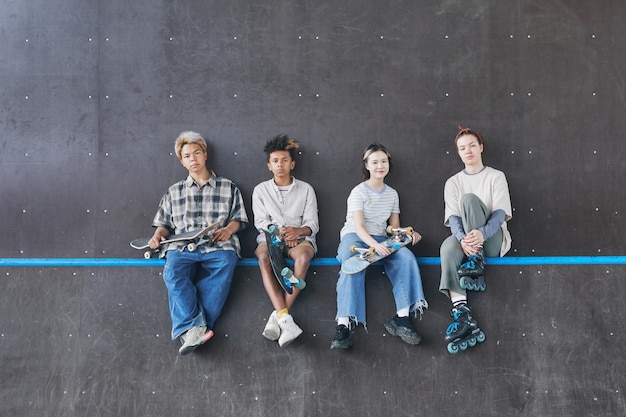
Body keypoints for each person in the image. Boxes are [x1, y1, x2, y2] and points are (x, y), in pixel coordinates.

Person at [149, 131, 248, 355]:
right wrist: (157, 236)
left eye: (196, 153)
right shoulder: (173, 192)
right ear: (181, 161)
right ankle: (197, 328)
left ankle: (192, 328)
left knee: (226, 263)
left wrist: (227, 230)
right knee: (173, 271)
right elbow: (163, 224)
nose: (192, 158)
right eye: (187, 156)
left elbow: (239, 220)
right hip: (182, 247)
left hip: (218, 245)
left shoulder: (228, 187)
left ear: (205, 155)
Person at [331, 143, 428, 349]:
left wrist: (407, 234)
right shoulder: (358, 192)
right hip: (356, 237)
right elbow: (358, 227)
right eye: (375, 162)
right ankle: (343, 325)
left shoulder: (392, 194)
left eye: (383, 161)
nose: (380, 166)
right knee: (352, 264)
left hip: (381, 238)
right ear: (366, 165)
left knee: (407, 257)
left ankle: (402, 319)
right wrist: (375, 246)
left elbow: (393, 228)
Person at [439, 125, 512, 351]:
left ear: (481, 147)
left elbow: (500, 214)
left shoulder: (495, 176)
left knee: (469, 200)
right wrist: (463, 240)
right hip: (466, 245)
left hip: (492, 240)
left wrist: (481, 235)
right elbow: (453, 219)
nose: (468, 150)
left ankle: (476, 260)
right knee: (447, 248)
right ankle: (462, 314)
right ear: (459, 153)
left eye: (472, 145)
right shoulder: (453, 182)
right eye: (462, 148)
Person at [252, 134, 319, 347]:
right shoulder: (260, 190)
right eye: (275, 161)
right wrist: (280, 234)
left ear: (292, 164)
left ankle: (280, 315)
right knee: (263, 258)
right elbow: (261, 222)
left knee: (304, 257)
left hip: (299, 238)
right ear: (268, 165)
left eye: (284, 160)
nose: (280, 165)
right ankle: (285, 317)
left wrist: (297, 232)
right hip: (270, 238)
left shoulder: (306, 189)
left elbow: (313, 224)